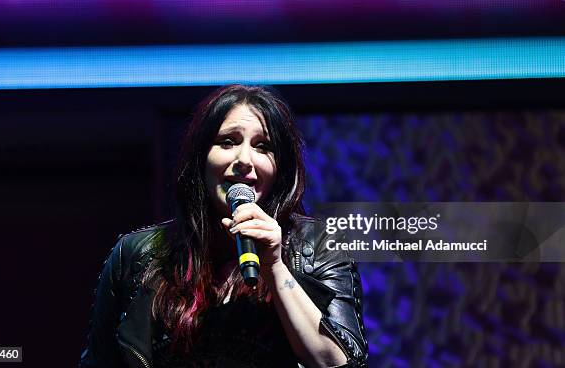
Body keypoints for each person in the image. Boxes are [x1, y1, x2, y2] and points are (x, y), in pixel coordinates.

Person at [79, 85, 368, 368]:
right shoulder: (137, 254)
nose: (244, 160)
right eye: (228, 142)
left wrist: (275, 267)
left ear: (280, 169)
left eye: (262, 146)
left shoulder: (317, 245)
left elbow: (341, 364)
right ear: (201, 159)